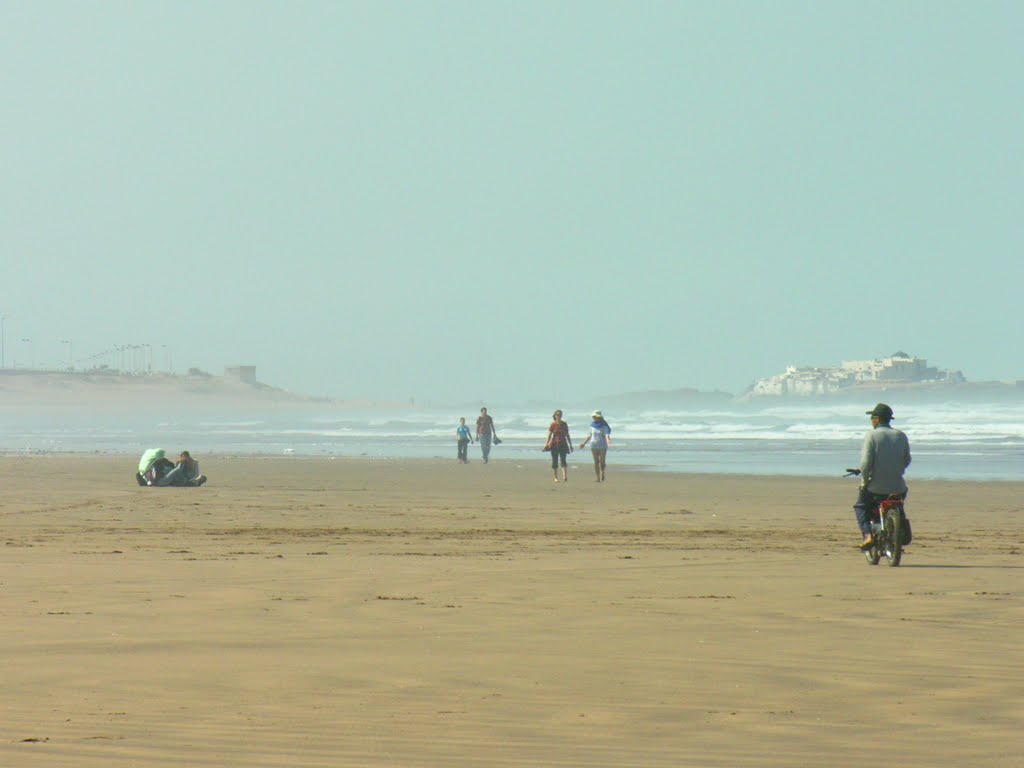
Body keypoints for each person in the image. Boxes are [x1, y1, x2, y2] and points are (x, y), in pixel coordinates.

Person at [854, 403, 911, 549]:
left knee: (861, 506)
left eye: (872, 417)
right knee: (899, 503)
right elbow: (907, 460)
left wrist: (864, 482)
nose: (871, 420)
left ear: (877, 419)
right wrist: (897, 471)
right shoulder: (901, 435)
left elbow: (866, 463)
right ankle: (900, 525)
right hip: (898, 486)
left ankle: (867, 535)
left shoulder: (871, 435)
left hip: (876, 488)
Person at [578, 409, 612, 482]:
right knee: (596, 462)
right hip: (593, 445)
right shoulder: (592, 426)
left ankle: (602, 471)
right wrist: (583, 443)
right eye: (593, 416)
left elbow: (607, 435)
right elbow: (589, 435)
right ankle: (598, 477)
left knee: (602, 461)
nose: (594, 418)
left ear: (598, 417)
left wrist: (608, 441)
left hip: (602, 445)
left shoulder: (604, 426)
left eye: (595, 416)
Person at [544, 409, 573, 482]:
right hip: (554, 444)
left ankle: (564, 476)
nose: (559, 416)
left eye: (560, 414)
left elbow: (567, 435)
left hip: (563, 444)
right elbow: (549, 435)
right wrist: (546, 444)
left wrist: (570, 445)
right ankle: (556, 477)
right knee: (555, 461)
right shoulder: (553, 425)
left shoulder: (564, 424)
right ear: (555, 416)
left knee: (563, 460)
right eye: (557, 415)